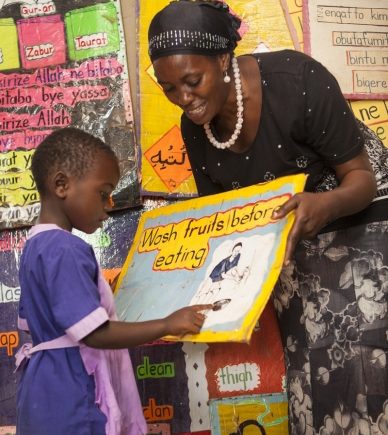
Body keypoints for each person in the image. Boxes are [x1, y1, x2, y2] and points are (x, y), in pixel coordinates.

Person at [148, 1, 388, 433]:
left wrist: (322, 205)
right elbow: (225, 219)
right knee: (312, 368)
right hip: (291, 238)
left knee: (367, 361)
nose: (184, 100)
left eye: (192, 81)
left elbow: (361, 180)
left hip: (361, 221)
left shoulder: (298, 82)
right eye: (169, 89)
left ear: (223, 59)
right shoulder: (194, 128)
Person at [16, 127, 211, 435]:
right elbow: (94, 332)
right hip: (74, 394)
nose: (108, 206)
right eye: (103, 193)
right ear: (62, 185)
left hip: (45, 393)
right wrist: (167, 324)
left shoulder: (34, 247)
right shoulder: (64, 249)